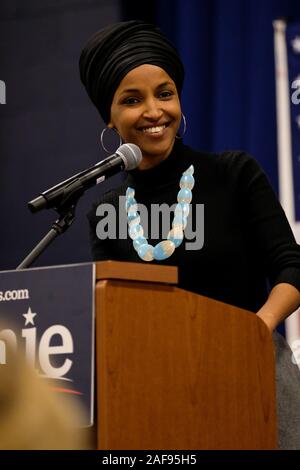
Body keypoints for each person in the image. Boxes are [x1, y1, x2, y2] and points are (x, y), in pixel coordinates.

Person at [79, 20, 300, 449]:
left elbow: (292, 266)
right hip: (159, 389)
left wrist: (254, 331)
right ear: (110, 116)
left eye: (165, 93)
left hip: (252, 372)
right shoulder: (105, 212)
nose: (154, 111)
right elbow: (114, 314)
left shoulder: (233, 174)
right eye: (132, 99)